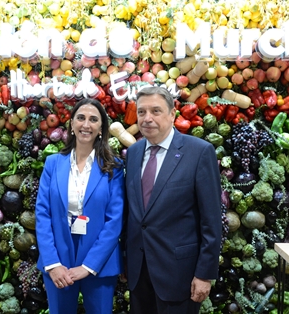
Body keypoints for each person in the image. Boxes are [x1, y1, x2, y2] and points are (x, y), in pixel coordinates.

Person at [124, 86, 222, 314]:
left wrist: (204, 274)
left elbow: (212, 220)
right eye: (141, 112)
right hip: (139, 272)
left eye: (156, 111)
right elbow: (134, 213)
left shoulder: (199, 152)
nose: (147, 118)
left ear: (172, 114)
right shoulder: (134, 152)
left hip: (180, 275)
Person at [35, 98, 125, 314]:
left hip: (100, 263)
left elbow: (115, 221)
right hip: (58, 259)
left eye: (94, 119)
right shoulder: (53, 163)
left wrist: (89, 266)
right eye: (81, 118)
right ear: (72, 125)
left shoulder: (114, 167)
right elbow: (42, 214)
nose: (86, 124)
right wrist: (52, 263)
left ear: (101, 128)